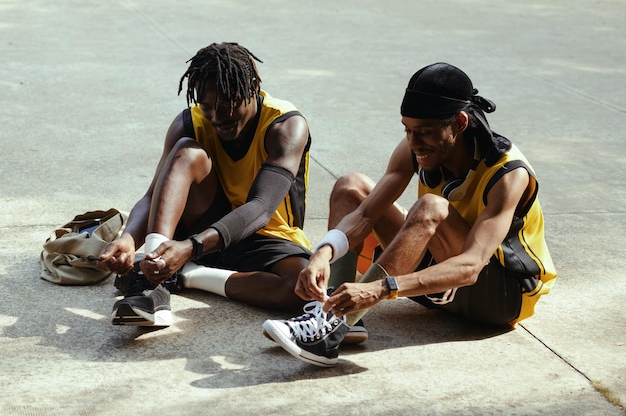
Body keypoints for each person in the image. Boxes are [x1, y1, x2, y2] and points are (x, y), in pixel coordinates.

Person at [262, 62, 557, 367]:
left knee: (432, 205)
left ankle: (332, 328)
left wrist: (379, 288)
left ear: (459, 122)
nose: (414, 143)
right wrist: (322, 253)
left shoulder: (509, 174)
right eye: (407, 129)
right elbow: (364, 214)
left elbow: (470, 267)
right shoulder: (416, 148)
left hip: (498, 296)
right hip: (437, 277)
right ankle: (338, 311)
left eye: (424, 132)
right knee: (351, 187)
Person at [98, 42, 314, 327]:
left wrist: (190, 248)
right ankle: (152, 282)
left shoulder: (285, 126)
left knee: (301, 289)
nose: (218, 117)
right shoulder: (189, 123)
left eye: (228, 104)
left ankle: (184, 274)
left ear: (251, 87)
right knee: (188, 151)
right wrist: (128, 239)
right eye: (208, 106)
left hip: (265, 233)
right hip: (202, 225)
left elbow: (261, 208)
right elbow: (153, 196)